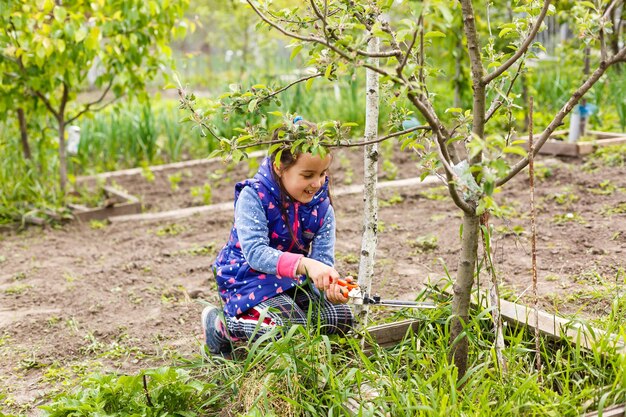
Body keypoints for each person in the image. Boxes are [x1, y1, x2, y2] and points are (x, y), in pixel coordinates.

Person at [202, 117, 354, 356]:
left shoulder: (322, 207)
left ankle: (279, 316)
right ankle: (223, 326)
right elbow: (255, 254)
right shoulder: (254, 196)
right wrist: (306, 264)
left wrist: (328, 287)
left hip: (292, 282)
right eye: (307, 175)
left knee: (341, 318)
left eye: (323, 173)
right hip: (247, 280)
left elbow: (322, 261)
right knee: (288, 329)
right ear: (279, 167)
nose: (317, 183)